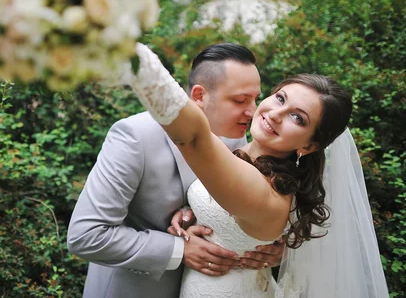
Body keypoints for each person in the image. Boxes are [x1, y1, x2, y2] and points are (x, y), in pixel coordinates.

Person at [121, 43, 389, 297]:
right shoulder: (237, 144)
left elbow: (193, 137)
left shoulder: (268, 194)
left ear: (309, 146)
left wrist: (134, 55)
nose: (275, 114)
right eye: (280, 98)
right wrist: (193, 214)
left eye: (298, 117)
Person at [67, 44, 285, 298]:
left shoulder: (238, 139)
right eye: (239, 100)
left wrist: (273, 249)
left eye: (255, 98)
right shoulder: (135, 136)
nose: (252, 111)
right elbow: (86, 235)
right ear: (199, 95)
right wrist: (180, 250)